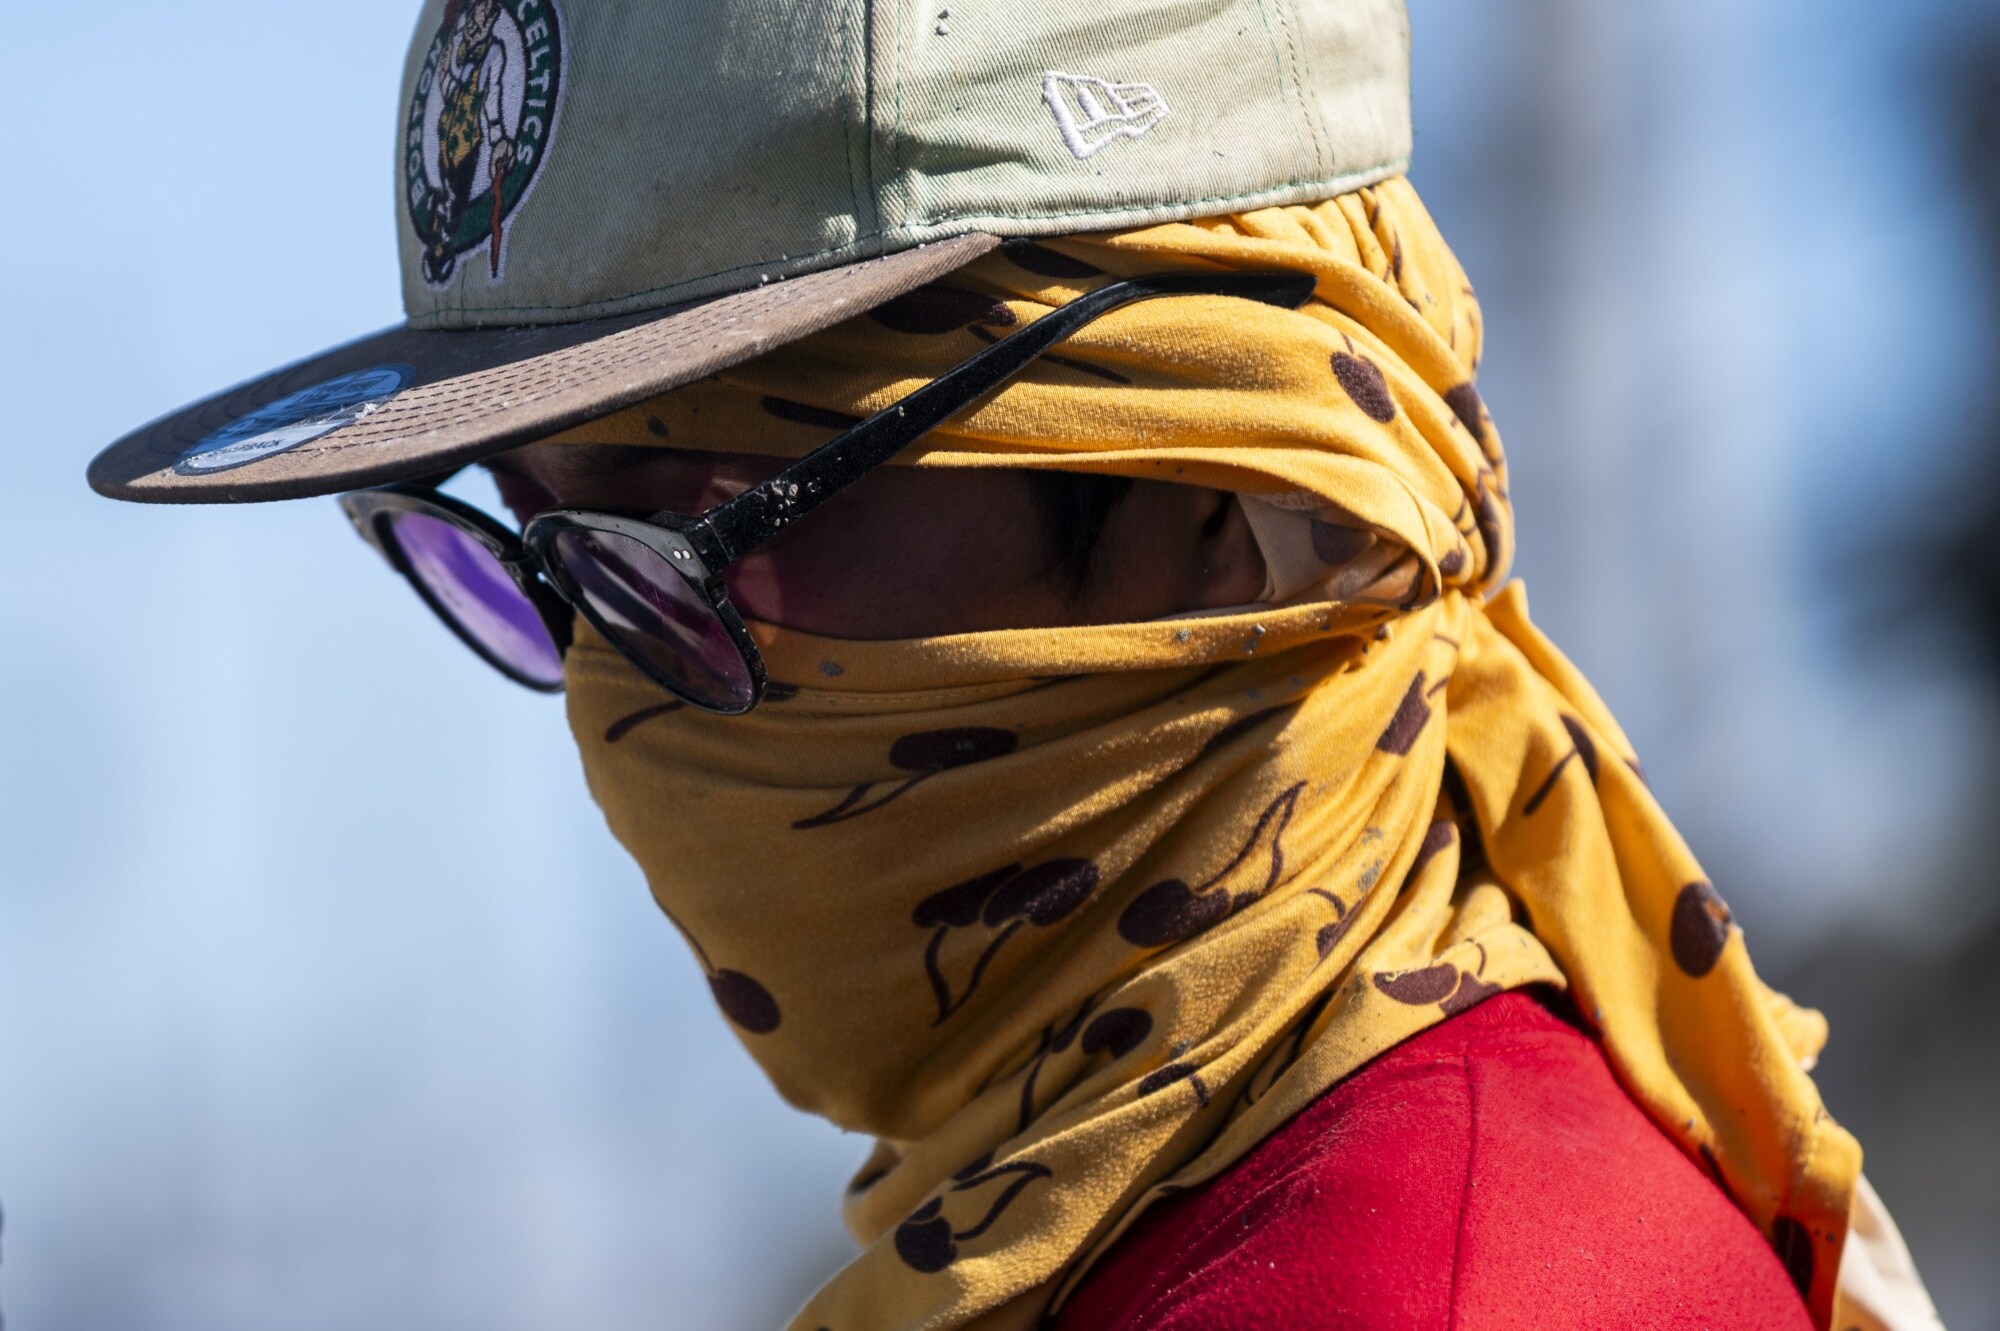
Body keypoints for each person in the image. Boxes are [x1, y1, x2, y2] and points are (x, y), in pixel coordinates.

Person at [88, 2, 1945, 1328]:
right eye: (536, 559)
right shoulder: (1070, 1217)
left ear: (1213, 491)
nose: (614, 687)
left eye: (703, 529)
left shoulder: (1433, 1281)